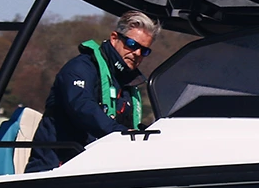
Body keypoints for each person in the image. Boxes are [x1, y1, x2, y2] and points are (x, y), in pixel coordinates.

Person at [25, 11, 161, 172]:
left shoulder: (128, 83)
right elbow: (82, 106)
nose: (137, 53)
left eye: (144, 51)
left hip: (96, 170)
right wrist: (121, 133)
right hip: (55, 169)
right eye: (132, 44)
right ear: (114, 38)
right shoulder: (80, 67)